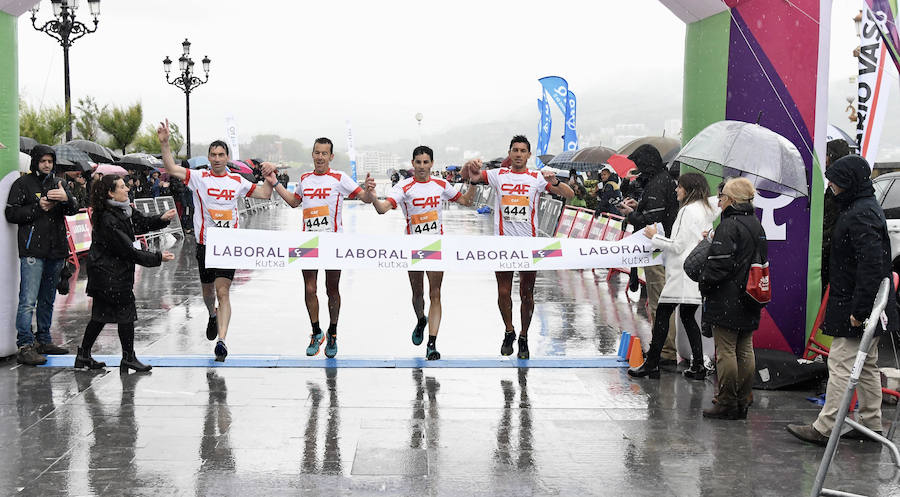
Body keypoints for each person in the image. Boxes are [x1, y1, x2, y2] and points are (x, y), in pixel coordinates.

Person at [787, 155, 898, 443]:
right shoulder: (863, 208)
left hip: (856, 305)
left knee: (841, 363)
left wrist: (859, 311)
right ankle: (871, 424)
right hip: (868, 304)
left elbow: (871, 265)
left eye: (836, 181)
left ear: (849, 181)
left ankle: (825, 427)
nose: (832, 186)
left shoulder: (859, 214)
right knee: (868, 364)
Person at [158, 119, 278, 362]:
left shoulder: (237, 181)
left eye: (221, 155)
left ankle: (222, 341)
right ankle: (212, 316)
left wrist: (270, 175)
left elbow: (265, 194)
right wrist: (165, 143)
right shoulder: (199, 177)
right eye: (213, 155)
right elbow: (171, 168)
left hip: (228, 245)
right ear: (209, 157)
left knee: (223, 292)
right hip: (205, 244)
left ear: (227, 157)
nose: (216, 159)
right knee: (208, 292)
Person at [463, 135, 574, 359]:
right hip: (503, 245)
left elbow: (569, 195)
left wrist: (553, 182)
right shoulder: (498, 175)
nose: (519, 154)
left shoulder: (536, 177)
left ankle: (523, 336)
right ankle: (509, 330)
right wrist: (469, 165)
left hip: (528, 246)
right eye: (515, 150)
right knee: (503, 293)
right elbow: (469, 175)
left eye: (523, 151)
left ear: (529, 155)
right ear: (510, 153)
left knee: (527, 294)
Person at [269, 137, 378, 358]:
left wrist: (369, 190)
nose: (320, 157)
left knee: (332, 290)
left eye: (324, 153)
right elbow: (293, 201)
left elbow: (365, 199)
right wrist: (275, 183)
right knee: (310, 289)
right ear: (312, 155)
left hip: (332, 243)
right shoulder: (305, 178)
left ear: (331, 156)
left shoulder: (340, 178)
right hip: (308, 243)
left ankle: (334, 332)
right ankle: (317, 331)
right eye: (317, 153)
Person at [368, 145, 476, 360]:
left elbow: (466, 201)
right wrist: (372, 195)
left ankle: (432, 343)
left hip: (436, 246)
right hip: (413, 248)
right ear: (413, 163)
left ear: (432, 164)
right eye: (418, 162)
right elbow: (382, 209)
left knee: (435, 294)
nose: (422, 167)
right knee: (418, 294)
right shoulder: (404, 186)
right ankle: (420, 320)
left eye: (426, 162)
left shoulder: (440, 184)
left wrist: (473, 181)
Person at [74, 175, 177, 372]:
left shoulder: (124, 210)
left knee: (100, 315)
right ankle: (128, 357)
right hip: (108, 274)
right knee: (126, 314)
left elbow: (141, 223)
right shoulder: (107, 218)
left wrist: (162, 219)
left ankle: (83, 355)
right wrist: (157, 257)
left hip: (111, 271)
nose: (128, 189)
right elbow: (127, 250)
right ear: (111, 193)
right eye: (122, 187)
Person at [628, 173, 718, 379]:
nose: (676, 190)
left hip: (680, 275)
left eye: (679, 187)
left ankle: (652, 364)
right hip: (694, 275)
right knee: (687, 318)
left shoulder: (687, 211)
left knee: (661, 316)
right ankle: (697, 365)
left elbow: (677, 246)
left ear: (688, 189)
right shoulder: (706, 209)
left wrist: (655, 237)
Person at [699, 177, 767, 419]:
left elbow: (718, 266)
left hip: (727, 296)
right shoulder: (757, 225)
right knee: (745, 349)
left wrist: (704, 282)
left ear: (732, 200)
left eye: (722, 197)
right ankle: (743, 398)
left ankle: (726, 401)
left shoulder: (728, 226)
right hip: (750, 296)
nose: (719, 201)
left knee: (726, 350)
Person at [4, 145, 79, 365]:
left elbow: (74, 208)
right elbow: (11, 213)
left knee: (47, 299)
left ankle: (44, 339)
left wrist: (66, 199)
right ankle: (25, 345)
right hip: (32, 251)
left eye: (50, 161)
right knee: (28, 300)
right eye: (43, 161)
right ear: (35, 161)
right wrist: (39, 207)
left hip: (56, 250)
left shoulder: (59, 182)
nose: (47, 165)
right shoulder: (22, 184)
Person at [618, 145, 679, 365]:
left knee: (659, 302)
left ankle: (664, 350)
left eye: (639, 164)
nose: (637, 169)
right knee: (660, 301)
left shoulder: (657, 183)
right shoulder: (663, 180)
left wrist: (631, 214)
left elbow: (650, 218)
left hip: (656, 250)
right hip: (661, 248)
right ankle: (663, 348)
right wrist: (639, 206)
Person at [821, 139, 851, 294]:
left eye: (826, 154)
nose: (823, 158)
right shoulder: (840, 182)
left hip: (832, 254)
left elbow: (831, 222)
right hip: (833, 252)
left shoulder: (840, 187)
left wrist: (820, 247)